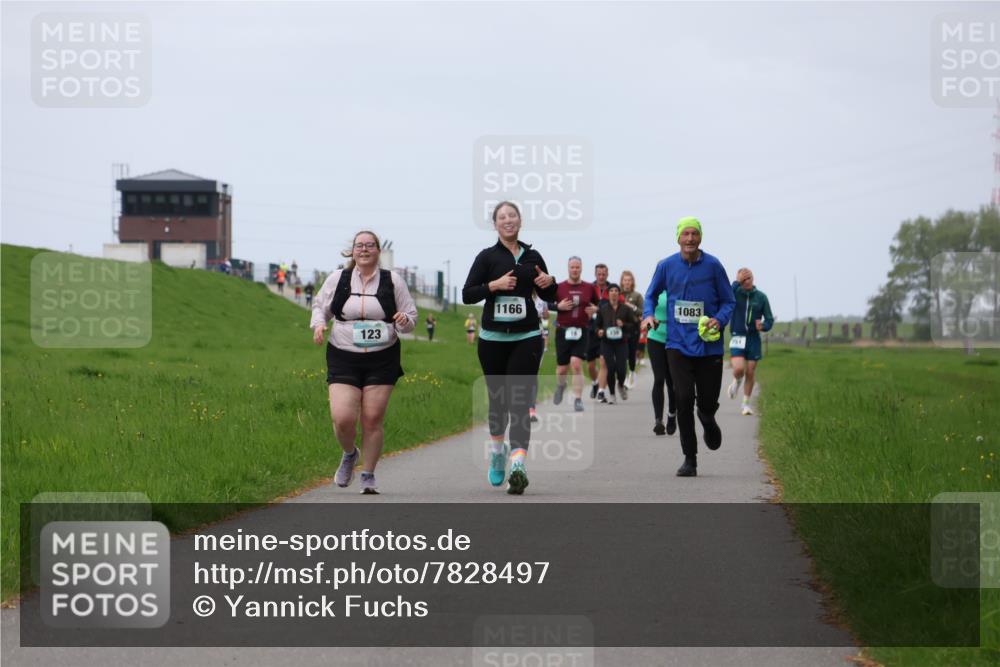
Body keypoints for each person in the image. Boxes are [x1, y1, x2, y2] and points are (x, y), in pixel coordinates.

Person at [311, 231, 418, 494]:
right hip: (343, 354)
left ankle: (368, 475)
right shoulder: (338, 278)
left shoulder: (393, 281)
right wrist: (319, 324)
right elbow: (320, 306)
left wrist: (404, 321)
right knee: (342, 418)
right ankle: (350, 453)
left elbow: (411, 317)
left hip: (383, 356)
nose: (364, 249)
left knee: (372, 418)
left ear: (378, 250)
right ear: (353, 251)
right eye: (359, 245)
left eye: (370, 245)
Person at [463, 201, 558, 495]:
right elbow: (468, 294)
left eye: (512, 215)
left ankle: (518, 465)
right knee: (498, 402)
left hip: (527, 336)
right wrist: (494, 285)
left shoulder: (533, 256)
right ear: (495, 224)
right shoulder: (487, 257)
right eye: (502, 217)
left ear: (520, 221)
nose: (508, 220)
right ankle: (497, 452)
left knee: (519, 402)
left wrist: (549, 281)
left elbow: (550, 294)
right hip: (492, 340)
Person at [642, 217, 734, 477]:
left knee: (706, 401)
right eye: (686, 234)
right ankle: (689, 458)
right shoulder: (666, 266)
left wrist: (719, 319)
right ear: (678, 238)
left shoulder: (714, 265)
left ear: (700, 237)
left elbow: (729, 301)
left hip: (709, 345)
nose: (690, 239)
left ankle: (707, 417)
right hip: (677, 344)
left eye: (694, 234)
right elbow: (650, 295)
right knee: (682, 399)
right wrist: (648, 315)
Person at [552, 256, 599, 413]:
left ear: (581, 268)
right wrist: (558, 307)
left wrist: (596, 309)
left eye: (577, 267)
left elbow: (599, 304)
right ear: (568, 268)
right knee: (561, 369)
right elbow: (548, 304)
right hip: (563, 331)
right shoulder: (559, 287)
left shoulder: (589, 287)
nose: (575, 270)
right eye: (572, 267)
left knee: (576, 364)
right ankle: (561, 385)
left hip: (582, 331)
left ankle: (578, 399)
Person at [727, 268, 775, 415]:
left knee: (750, 371)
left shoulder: (761, 297)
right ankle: (737, 381)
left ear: (753, 279)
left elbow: (769, 319)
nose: (747, 281)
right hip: (737, 335)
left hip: (753, 338)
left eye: (749, 278)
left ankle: (745, 404)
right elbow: (725, 294)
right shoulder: (734, 293)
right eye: (743, 279)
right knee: (738, 369)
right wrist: (737, 282)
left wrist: (764, 326)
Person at [596, 283, 638, 404]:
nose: (614, 293)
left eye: (616, 291)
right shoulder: (603, 309)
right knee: (610, 368)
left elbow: (634, 324)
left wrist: (623, 325)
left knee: (621, 369)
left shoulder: (626, 309)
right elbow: (597, 325)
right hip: (607, 342)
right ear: (608, 294)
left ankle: (620, 385)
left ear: (619, 294)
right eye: (611, 291)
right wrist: (599, 331)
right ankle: (612, 395)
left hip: (621, 342)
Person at [645, 291, 677, 436]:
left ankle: (672, 414)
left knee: (672, 382)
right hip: (655, 337)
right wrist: (648, 317)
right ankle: (658, 420)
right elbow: (648, 307)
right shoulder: (655, 291)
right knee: (659, 379)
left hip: (675, 339)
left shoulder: (679, 289)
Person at [587, 263, 611, 401]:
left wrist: (599, 309)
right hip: (591, 330)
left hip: (606, 330)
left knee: (603, 362)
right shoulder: (589, 288)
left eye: (603, 274)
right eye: (599, 274)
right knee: (590, 365)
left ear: (607, 274)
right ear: (595, 274)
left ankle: (601, 392)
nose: (601, 277)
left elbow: (615, 307)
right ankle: (595, 383)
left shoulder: (612, 289)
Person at [619, 270, 644, 389]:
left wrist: (631, 306)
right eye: (625, 280)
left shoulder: (637, 296)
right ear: (622, 281)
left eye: (629, 280)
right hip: (620, 328)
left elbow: (642, 312)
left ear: (632, 282)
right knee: (622, 353)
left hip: (633, 327)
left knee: (631, 352)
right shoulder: (617, 294)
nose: (627, 282)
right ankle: (623, 378)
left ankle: (632, 373)